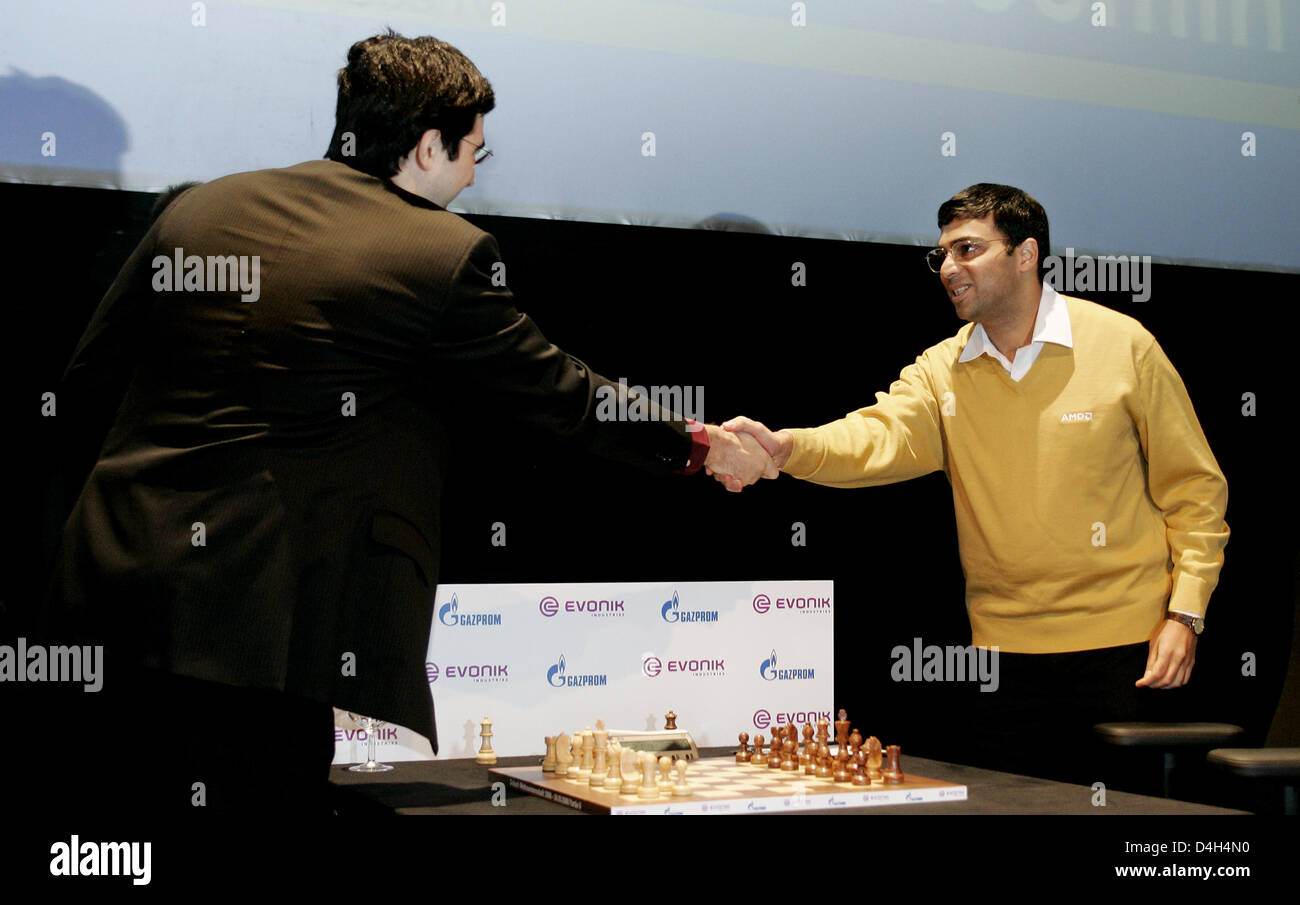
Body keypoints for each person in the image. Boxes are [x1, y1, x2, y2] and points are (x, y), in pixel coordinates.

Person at [42, 31, 774, 812]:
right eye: (472, 156)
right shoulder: (438, 253)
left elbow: (86, 385)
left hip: (111, 592)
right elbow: (561, 391)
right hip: (262, 638)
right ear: (428, 146)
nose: (469, 178)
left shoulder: (201, 206)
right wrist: (700, 445)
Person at [721, 184, 1228, 785]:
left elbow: (1195, 488)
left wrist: (1185, 614)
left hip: (1130, 650)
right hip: (1001, 658)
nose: (948, 269)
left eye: (967, 249)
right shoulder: (943, 369)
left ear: (1025, 254)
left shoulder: (1124, 345)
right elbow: (874, 438)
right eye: (941, 256)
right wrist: (788, 449)